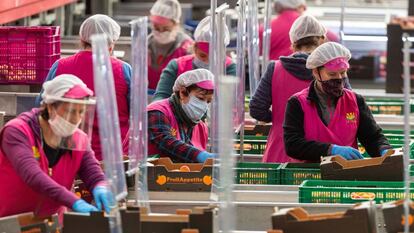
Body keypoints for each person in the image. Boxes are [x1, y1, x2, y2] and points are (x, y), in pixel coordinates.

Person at [0, 75, 113, 220]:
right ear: (50, 106)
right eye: (71, 111)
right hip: (11, 223)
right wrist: (74, 201)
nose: (76, 119)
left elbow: (93, 173)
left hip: (52, 223)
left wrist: (100, 186)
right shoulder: (18, 132)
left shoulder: (78, 139)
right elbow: (33, 176)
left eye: (81, 112)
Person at [251, 15, 349, 163]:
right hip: (324, 153)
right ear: (322, 39)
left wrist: (279, 119)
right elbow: (349, 107)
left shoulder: (275, 68)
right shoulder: (334, 70)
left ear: (293, 42)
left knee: (276, 186)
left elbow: (257, 109)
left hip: (281, 152)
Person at [36, 14, 131, 161]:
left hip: (66, 155)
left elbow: (40, 107)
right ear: (111, 44)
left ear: (81, 40)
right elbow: (138, 116)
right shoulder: (124, 70)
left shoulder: (60, 66)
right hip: (111, 160)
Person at [283, 42, 392, 162]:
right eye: (332, 74)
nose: (339, 78)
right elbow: (292, 145)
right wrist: (331, 150)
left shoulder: (355, 101)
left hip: (346, 174)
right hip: (311, 174)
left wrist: (383, 150)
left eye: (342, 72)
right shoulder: (298, 103)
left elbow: (372, 137)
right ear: (316, 72)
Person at [152, 16, 236, 102]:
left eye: (214, 57)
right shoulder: (176, 66)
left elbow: (231, 101)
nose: (207, 61)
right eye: (202, 56)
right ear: (195, 48)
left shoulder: (229, 68)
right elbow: (161, 97)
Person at [148, 69, 215, 162]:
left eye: (208, 101)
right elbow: (164, 141)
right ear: (183, 93)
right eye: (200, 98)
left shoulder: (201, 128)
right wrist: (199, 155)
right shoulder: (157, 112)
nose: (204, 105)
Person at [259, 0, 339, 60]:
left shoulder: (264, 29)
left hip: (278, 76)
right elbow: (334, 39)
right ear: (299, 6)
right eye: (303, 7)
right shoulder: (311, 26)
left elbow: (256, 52)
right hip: (310, 75)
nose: (305, 9)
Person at [148, 0, 194, 90]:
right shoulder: (145, 46)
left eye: (166, 28)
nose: (160, 32)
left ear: (175, 24)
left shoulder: (187, 48)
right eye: (156, 28)